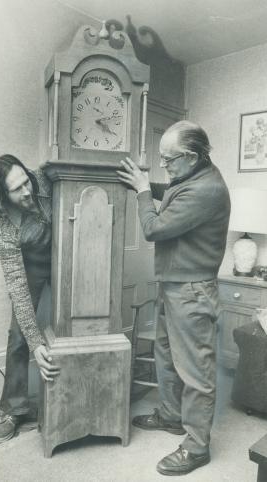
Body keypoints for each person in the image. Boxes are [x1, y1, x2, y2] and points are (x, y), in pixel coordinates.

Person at [117, 121, 230, 476]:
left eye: (169, 160)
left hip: (192, 291)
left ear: (192, 156)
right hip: (174, 285)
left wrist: (139, 192)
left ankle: (197, 448)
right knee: (165, 356)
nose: (164, 166)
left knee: (195, 372)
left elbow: (153, 229)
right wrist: (147, 183)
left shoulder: (207, 190)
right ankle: (170, 416)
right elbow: (170, 193)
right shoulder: (192, 176)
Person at [0, 154, 60, 444]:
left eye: (25, 182)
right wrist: (36, 342)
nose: (27, 191)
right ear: (4, 195)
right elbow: (16, 286)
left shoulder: (41, 179)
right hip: (31, 265)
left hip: (65, 252)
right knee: (19, 335)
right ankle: (13, 409)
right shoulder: (4, 225)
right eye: (17, 189)